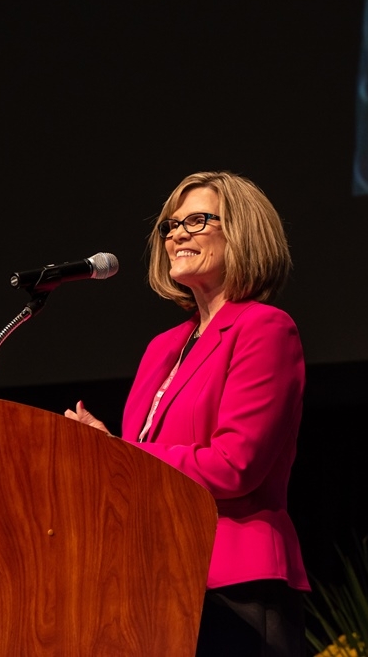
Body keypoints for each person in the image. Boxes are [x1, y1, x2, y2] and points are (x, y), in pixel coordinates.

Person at [65, 171, 308, 657]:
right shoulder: (163, 347)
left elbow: (235, 465)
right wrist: (103, 453)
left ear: (242, 232)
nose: (177, 234)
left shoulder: (264, 328)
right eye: (170, 226)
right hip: (154, 578)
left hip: (232, 583)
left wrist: (122, 453)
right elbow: (143, 464)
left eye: (196, 221)